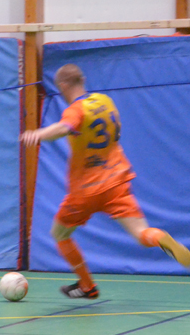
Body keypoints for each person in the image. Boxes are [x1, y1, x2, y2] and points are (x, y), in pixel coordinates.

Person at [21, 63, 190, 298]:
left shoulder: (76, 110)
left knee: (59, 234)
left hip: (85, 191)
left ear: (63, 85)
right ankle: (161, 238)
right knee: (141, 233)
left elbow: (64, 127)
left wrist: (38, 134)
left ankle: (87, 286)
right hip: (116, 183)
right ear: (83, 80)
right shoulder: (105, 102)